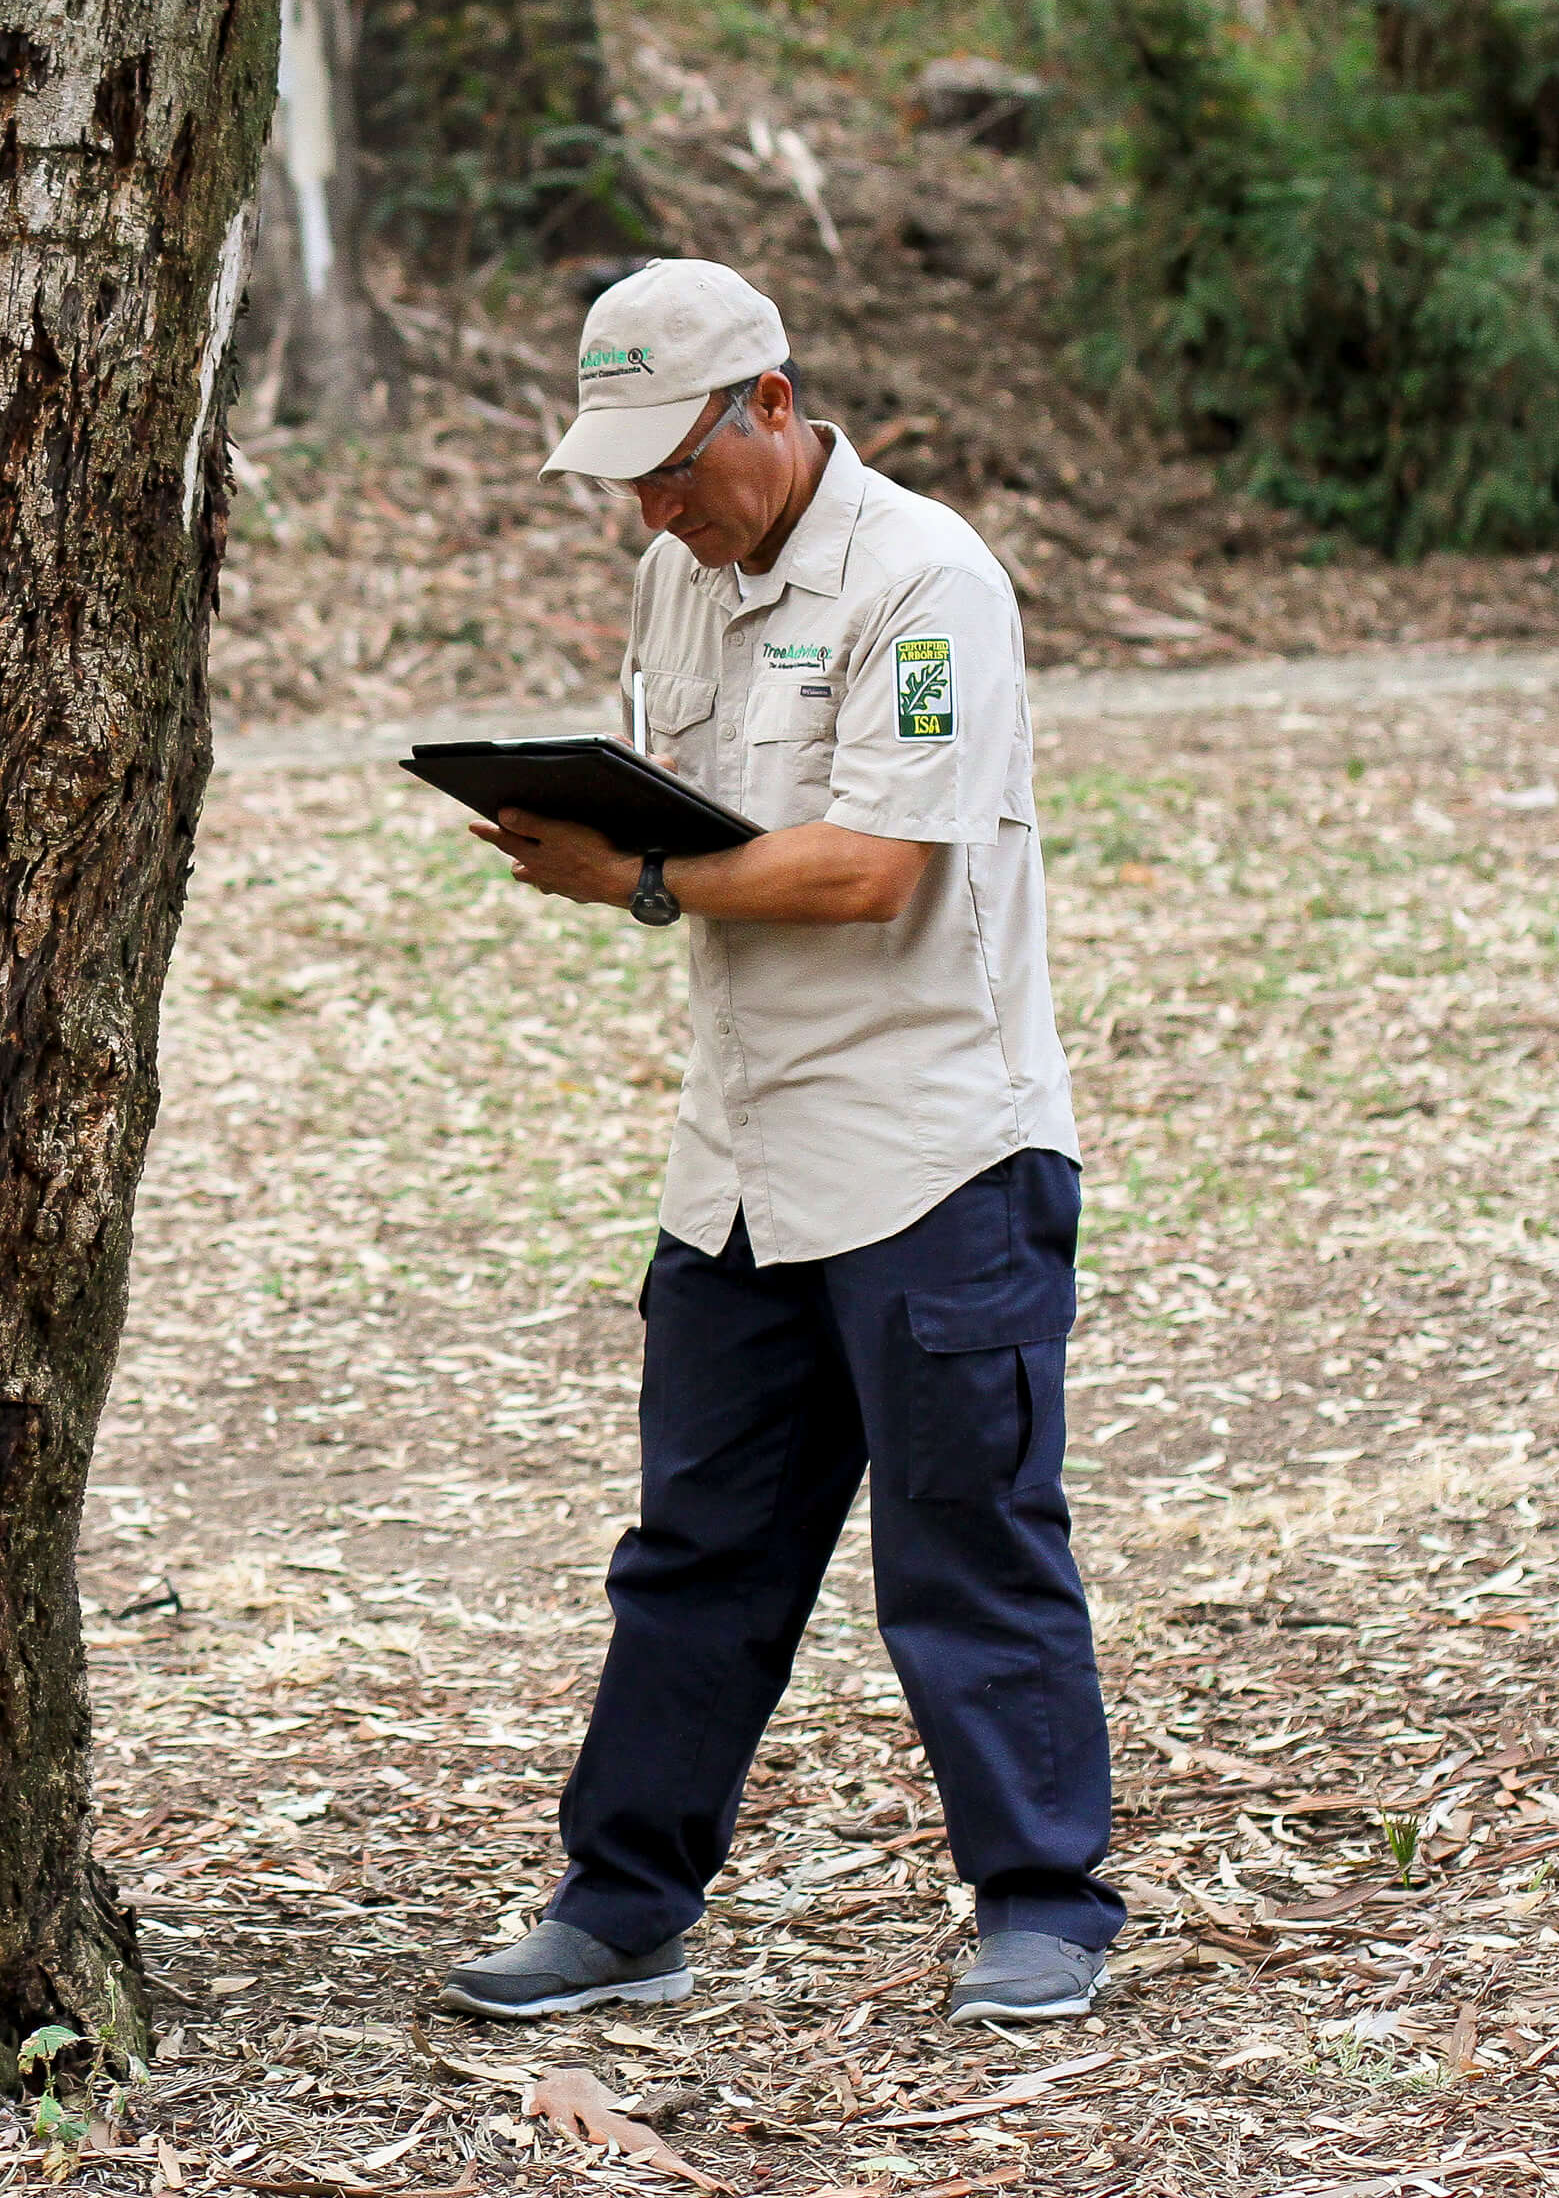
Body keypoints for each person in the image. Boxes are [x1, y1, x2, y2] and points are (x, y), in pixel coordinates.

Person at [438, 259, 1121, 2029]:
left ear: (771, 403)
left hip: (933, 1154)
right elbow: (704, 815)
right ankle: (623, 1903)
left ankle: (1044, 1903)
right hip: (739, 1161)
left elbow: (872, 867)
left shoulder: (926, 580)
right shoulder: (680, 579)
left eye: (676, 463)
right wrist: (605, 826)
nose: (655, 508)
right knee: (695, 1548)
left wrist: (637, 874)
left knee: (966, 1547)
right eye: (628, 479)